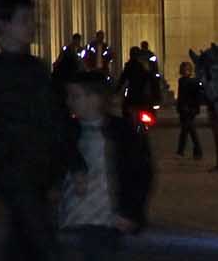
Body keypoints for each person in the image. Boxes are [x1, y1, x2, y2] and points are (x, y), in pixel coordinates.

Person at [0, 0, 64, 260]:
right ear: (4, 25)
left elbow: (55, 122)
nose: (31, 26)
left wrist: (66, 167)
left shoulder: (37, 69)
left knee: (24, 246)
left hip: (38, 176)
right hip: (14, 174)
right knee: (43, 245)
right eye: (24, 20)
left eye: (32, 19)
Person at [59, 72, 152, 260]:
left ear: (95, 99)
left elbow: (140, 175)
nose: (69, 101)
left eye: (75, 96)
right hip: (71, 219)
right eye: (68, 96)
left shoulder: (121, 132)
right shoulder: (68, 131)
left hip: (106, 220)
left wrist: (130, 212)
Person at [173, 61, 204, 162]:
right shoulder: (187, 81)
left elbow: (186, 96)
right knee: (188, 130)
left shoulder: (187, 81)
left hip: (188, 109)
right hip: (187, 109)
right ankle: (196, 151)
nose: (185, 71)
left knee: (187, 130)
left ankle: (183, 151)